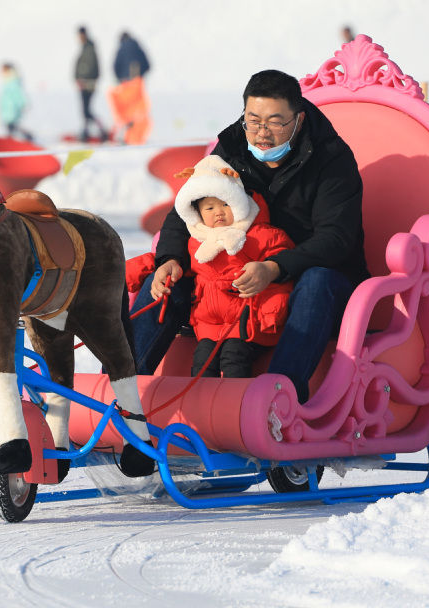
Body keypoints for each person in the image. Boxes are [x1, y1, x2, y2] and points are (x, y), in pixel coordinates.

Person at [131, 69, 368, 402]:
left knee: (317, 281)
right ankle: (120, 390)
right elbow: (183, 211)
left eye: (274, 122)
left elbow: (337, 239)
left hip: (312, 280)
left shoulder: (332, 160)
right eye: (253, 120)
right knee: (165, 280)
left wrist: (274, 267)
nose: (261, 133)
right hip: (234, 281)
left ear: (298, 120)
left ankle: (277, 402)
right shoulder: (232, 148)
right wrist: (169, 259)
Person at [170, 154, 295, 378]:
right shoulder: (196, 243)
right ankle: (201, 406)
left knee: (234, 356)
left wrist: (271, 306)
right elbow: (176, 263)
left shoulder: (261, 235)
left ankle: (234, 406)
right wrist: (135, 271)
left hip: (250, 322)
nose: (218, 212)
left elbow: (283, 260)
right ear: (198, 214)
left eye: (225, 204)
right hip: (210, 324)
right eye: (209, 208)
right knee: (202, 360)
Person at [73, 25, 108, 141]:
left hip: (88, 84)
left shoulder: (89, 48)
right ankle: (87, 131)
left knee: (87, 110)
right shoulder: (85, 48)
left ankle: (101, 130)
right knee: (85, 110)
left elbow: (92, 67)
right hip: (84, 84)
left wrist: (83, 79)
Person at [0, 62, 34, 142]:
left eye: (3, 70)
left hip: (12, 111)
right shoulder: (7, 82)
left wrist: (24, 103)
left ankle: (29, 139)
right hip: (7, 112)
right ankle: (26, 139)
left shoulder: (13, 82)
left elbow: (19, 95)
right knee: (12, 129)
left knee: (12, 129)